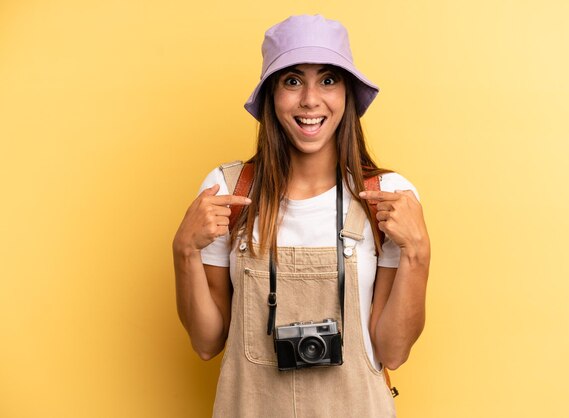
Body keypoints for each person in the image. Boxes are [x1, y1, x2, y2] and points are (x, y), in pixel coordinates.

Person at [173, 14, 430, 417]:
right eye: (292, 80)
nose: (311, 99)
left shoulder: (387, 198)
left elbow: (393, 352)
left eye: (328, 79)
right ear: (272, 95)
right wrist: (184, 250)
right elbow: (207, 344)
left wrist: (418, 253)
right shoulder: (230, 191)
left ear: (347, 93)